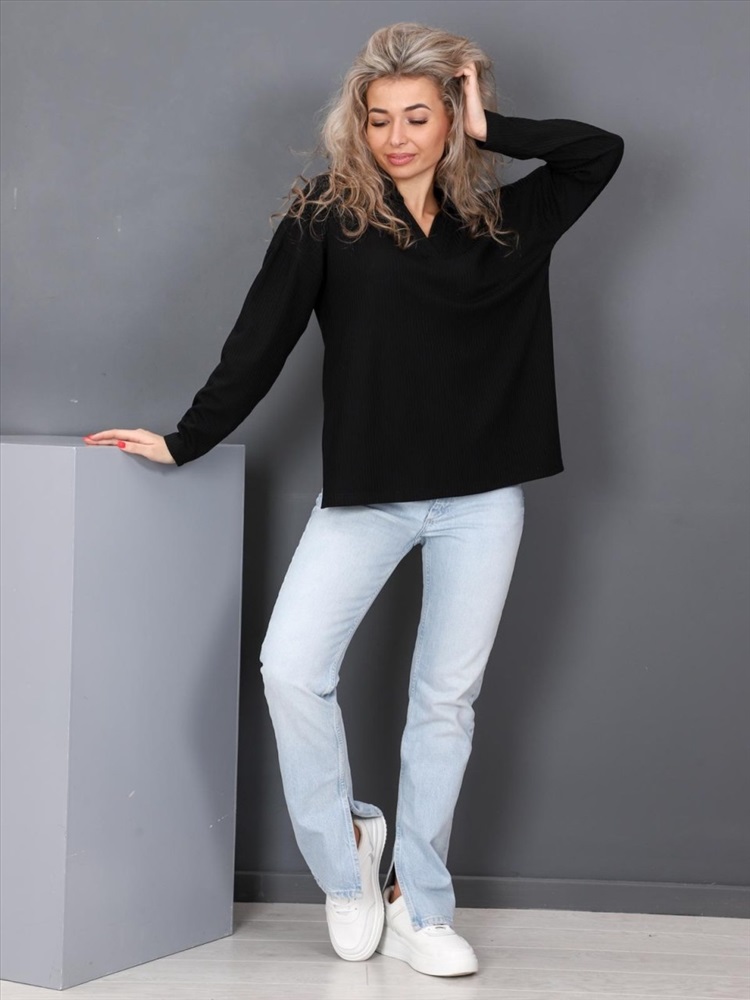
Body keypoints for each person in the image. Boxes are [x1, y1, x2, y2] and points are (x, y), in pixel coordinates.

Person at [84, 21, 624, 979]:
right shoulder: (326, 216)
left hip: (483, 501)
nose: (397, 137)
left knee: (444, 702)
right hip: (369, 494)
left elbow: (599, 152)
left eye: (420, 116)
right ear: (358, 123)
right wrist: (185, 439)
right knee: (291, 669)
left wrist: (492, 126)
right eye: (380, 119)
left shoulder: (509, 217)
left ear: (452, 118)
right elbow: (261, 338)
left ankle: (422, 901)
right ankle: (348, 867)